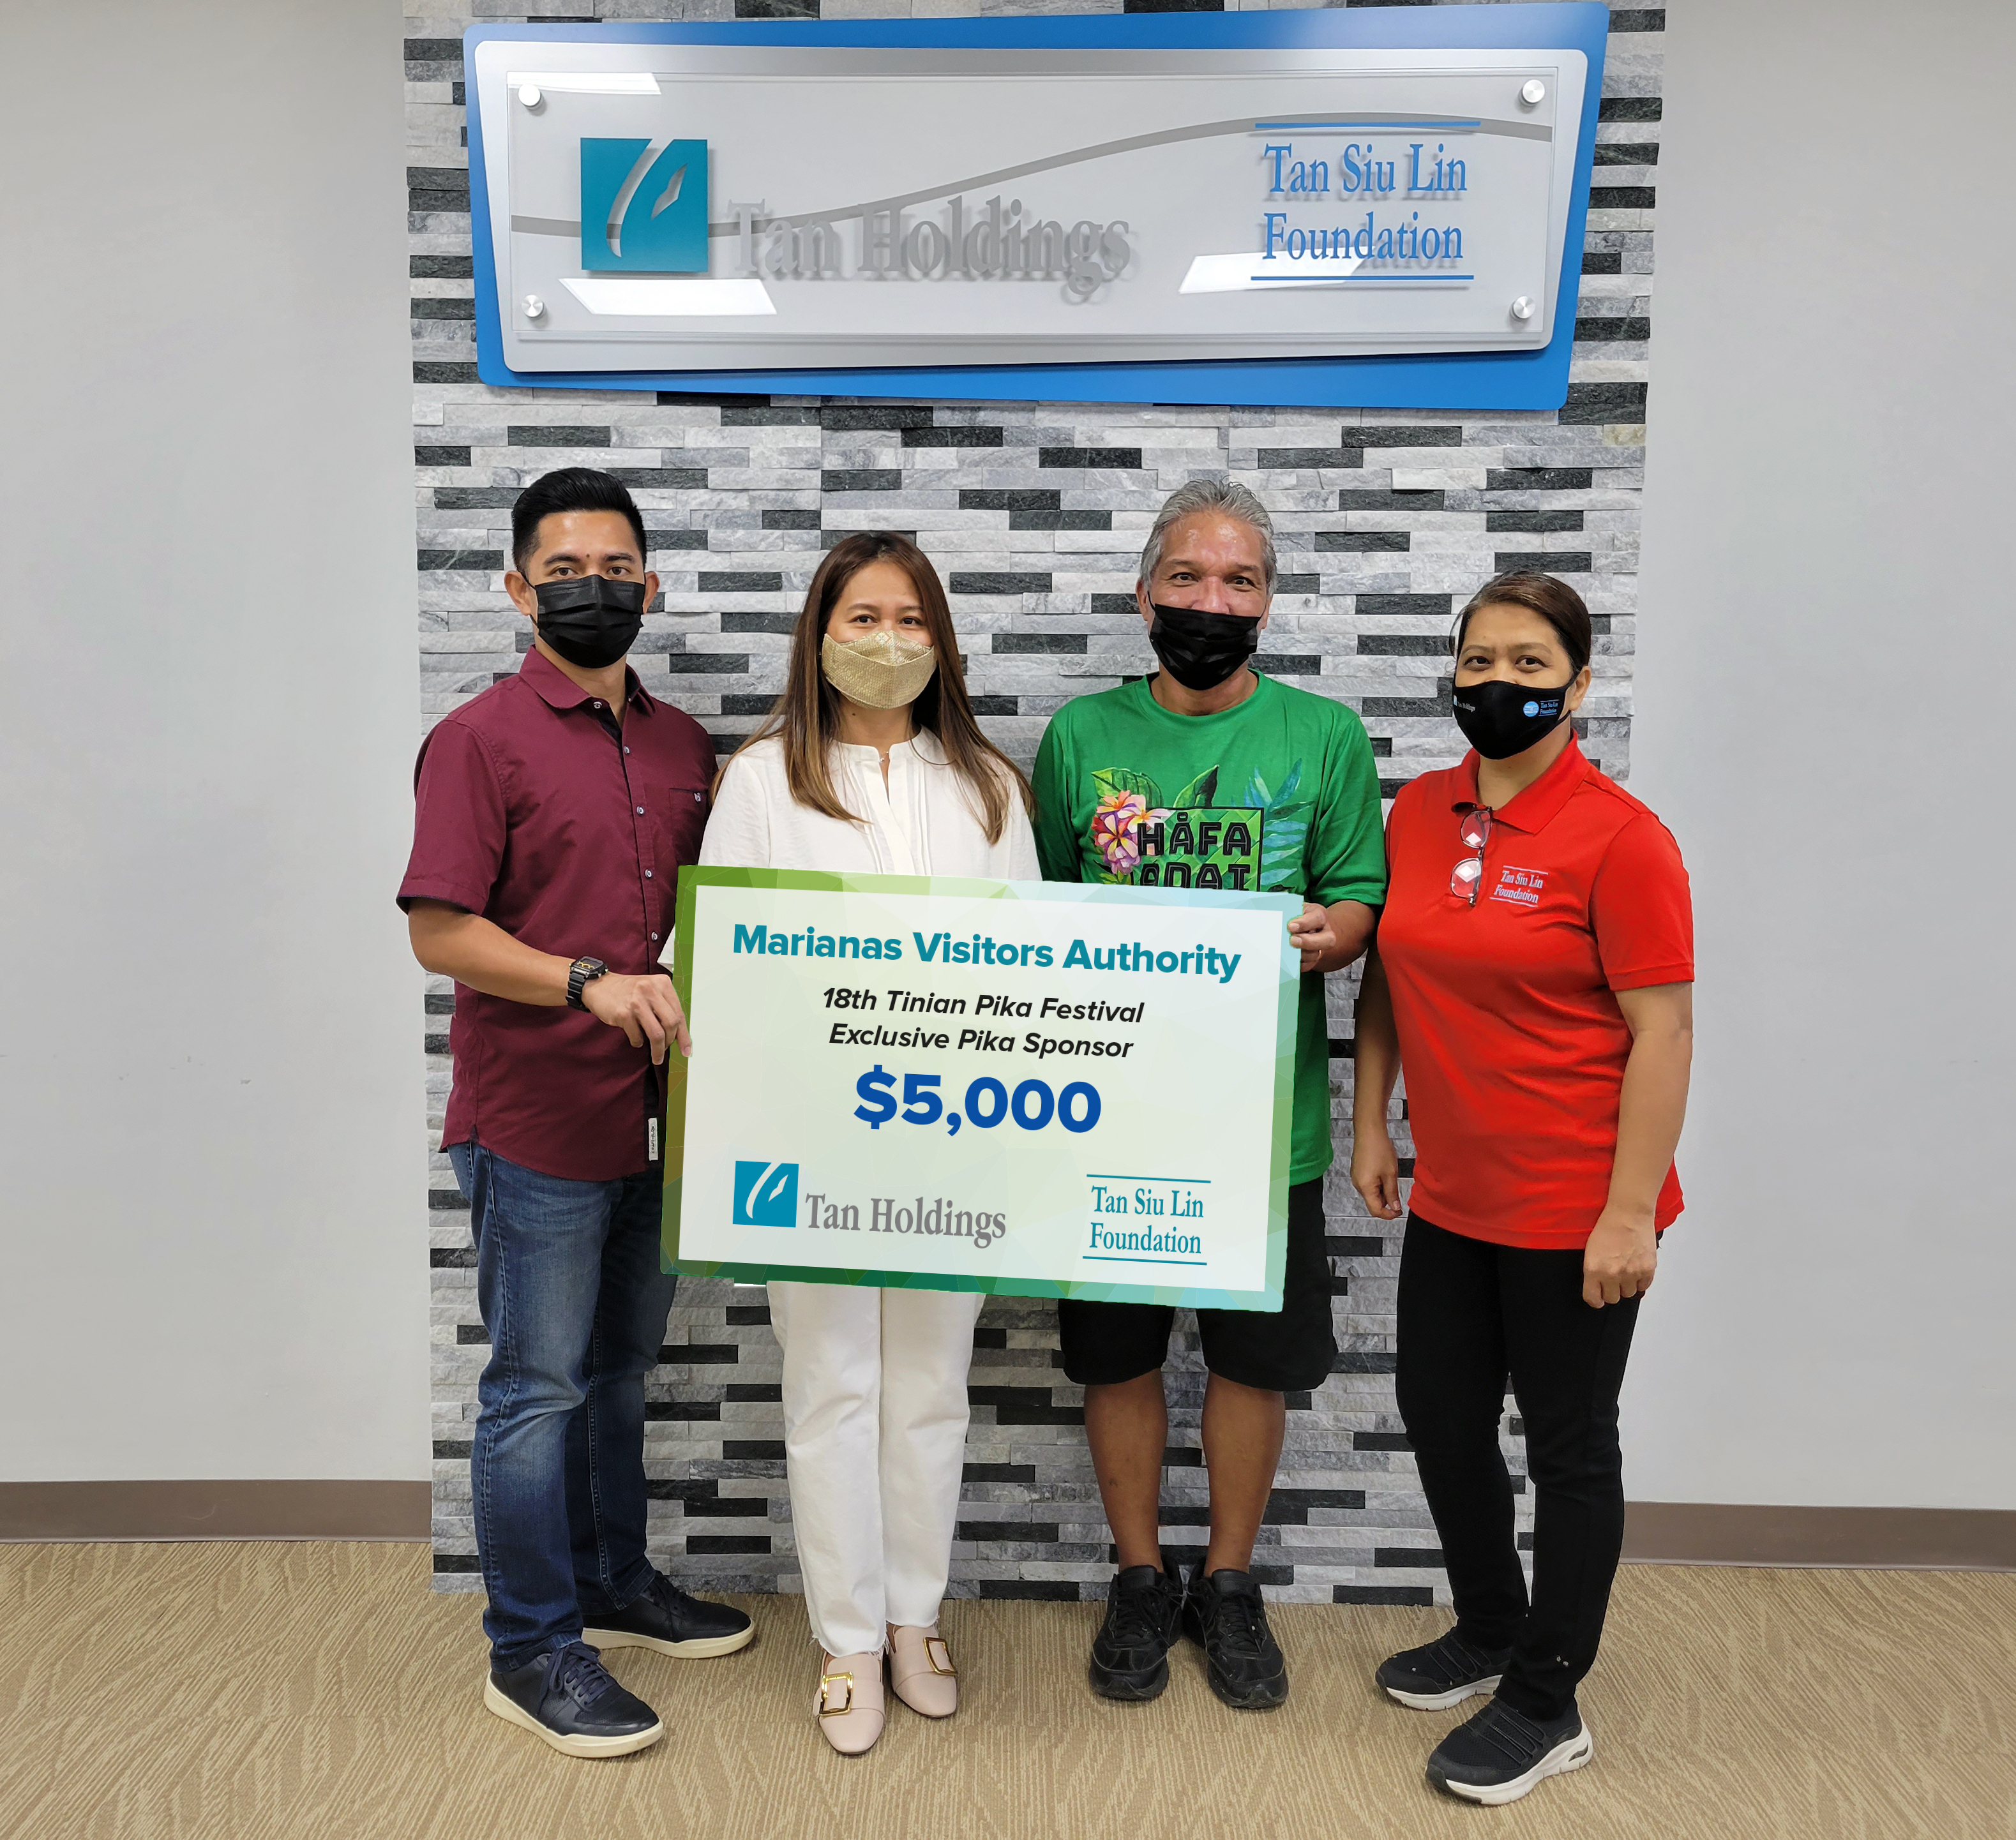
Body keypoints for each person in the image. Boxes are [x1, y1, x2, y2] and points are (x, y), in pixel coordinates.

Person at [398, 467, 753, 1760]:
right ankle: (532, 1644)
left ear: (651, 587)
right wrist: (584, 983)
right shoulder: (478, 738)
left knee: (617, 1372)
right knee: (534, 1388)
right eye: (560, 570)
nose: (589, 587)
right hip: (533, 1121)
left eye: (613, 567)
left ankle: (613, 1577)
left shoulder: (680, 743)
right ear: (516, 588)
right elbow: (441, 932)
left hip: (655, 1123)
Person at [1030, 479, 1387, 1711]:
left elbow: (1356, 901)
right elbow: (1037, 919)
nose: (1211, 602)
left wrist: (1326, 938)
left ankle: (1227, 1584)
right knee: (1116, 1360)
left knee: (1250, 1365)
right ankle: (1139, 1577)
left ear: (1268, 603)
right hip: (1107, 1119)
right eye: (1187, 578)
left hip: (1262, 1126)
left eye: (1239, 582)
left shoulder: (1321, 736)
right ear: (1144, 593)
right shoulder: (1081, 738)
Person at [1350, 571, 1694, 1806]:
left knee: (1567, 1451)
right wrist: (1372, 1120)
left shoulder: (1622, 836)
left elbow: (1662, 1033)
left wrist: (1625, 1210)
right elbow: (1389, 968)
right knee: (1440, 1419)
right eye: (1479, 661)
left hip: (1575, 1204)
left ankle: (1547, 1697)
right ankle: (1490, 1624)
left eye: (1531, 665)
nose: (1501, 685)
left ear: (1579, 684)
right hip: (1455, 1193)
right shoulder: (1421, 810)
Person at [700, 532, 1037, 1755]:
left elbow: (1031, 974)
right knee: (831, 1383)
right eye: (860, 616)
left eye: (908, 618)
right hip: (814, 1145)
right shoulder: (760, 783)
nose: (884, 640)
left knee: (930, 1389)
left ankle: (913, 1617)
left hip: (953, 1142)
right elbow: (722, 957)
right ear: (818, 634)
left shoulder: (987, 786)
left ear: (939, 639)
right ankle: (845, 1639)